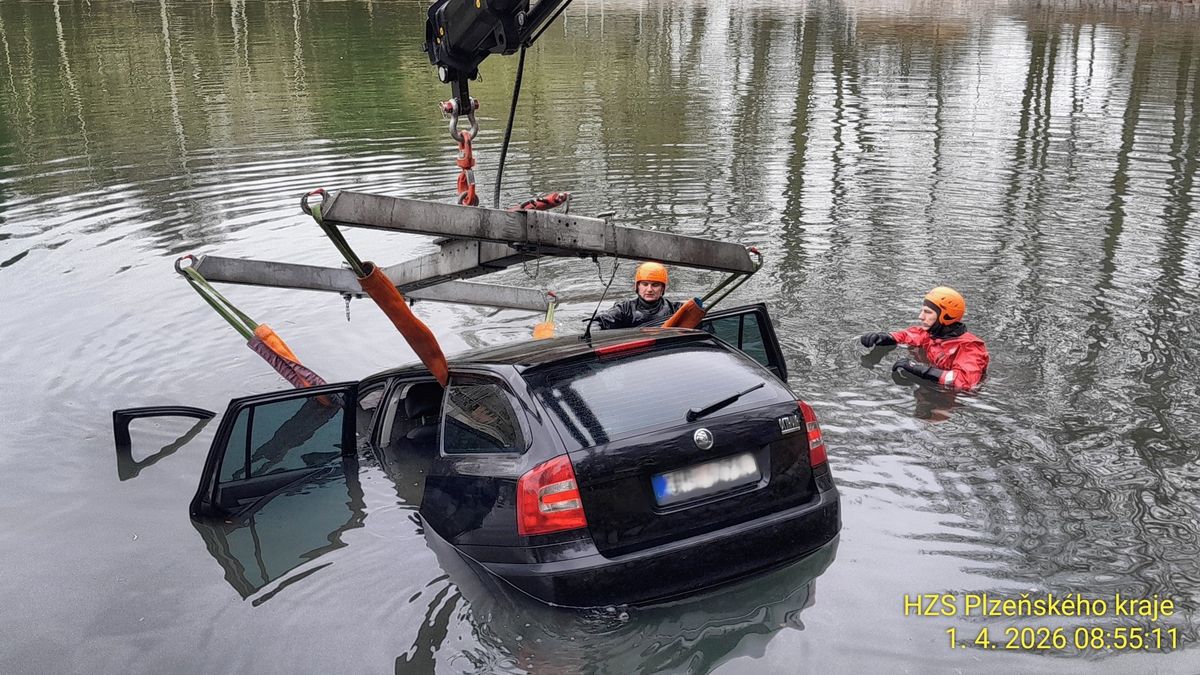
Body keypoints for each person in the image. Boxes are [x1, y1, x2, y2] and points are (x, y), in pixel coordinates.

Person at [859, 286, 989, 391]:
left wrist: (917, 369)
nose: (921, 316)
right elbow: (908, 335)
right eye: (922, 311)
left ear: (945, 316)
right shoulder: (931, 334)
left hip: (953, 398)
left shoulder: (970, 348)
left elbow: (965, 382)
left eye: (927, 312)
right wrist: (884, 337)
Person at [594, 262, 681, 329]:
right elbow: (599, 321)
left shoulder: (675, 309)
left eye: (655, 285)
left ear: (663, 288)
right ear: (637, 286)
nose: (649, 289)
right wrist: (594, 327)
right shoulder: (625, 309)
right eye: (645, 284)